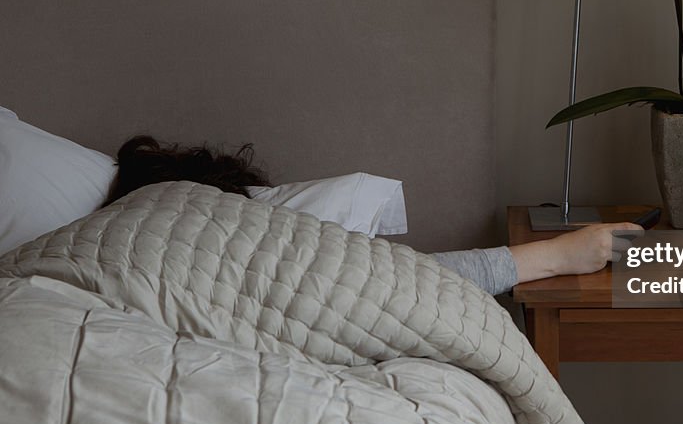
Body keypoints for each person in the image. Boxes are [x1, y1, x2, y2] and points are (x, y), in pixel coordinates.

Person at [105, 136, 641, 295]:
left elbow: (371, 283)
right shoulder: (91, 251)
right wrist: (556, 256)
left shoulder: (266, 248)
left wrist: (559, 255)